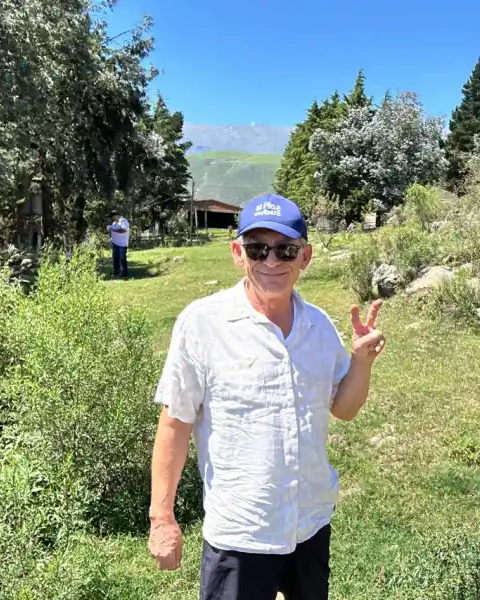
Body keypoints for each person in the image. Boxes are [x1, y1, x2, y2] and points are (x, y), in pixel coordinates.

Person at [147, 193, 386, 600]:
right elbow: (175, 423)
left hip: (308, 523)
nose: (272, 261)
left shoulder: (319, 327)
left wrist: (361, 361)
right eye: (258, 249)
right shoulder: (203, 324)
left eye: (285, 249)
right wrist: (162, 519)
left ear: (305, 257)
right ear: (238, 253)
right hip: (241, 531)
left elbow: (344, 409)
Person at [107, 210, 129, 278]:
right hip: (115, 244)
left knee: (122, 259)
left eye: (112, 217)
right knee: (115, 259)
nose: (111, 218)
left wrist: (112, 229)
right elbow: (113, 233)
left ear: (116, 215)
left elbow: (123, 230)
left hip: (122, 244)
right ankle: (116, 273)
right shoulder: (114, 223)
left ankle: (124, 273)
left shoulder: (123, 221)